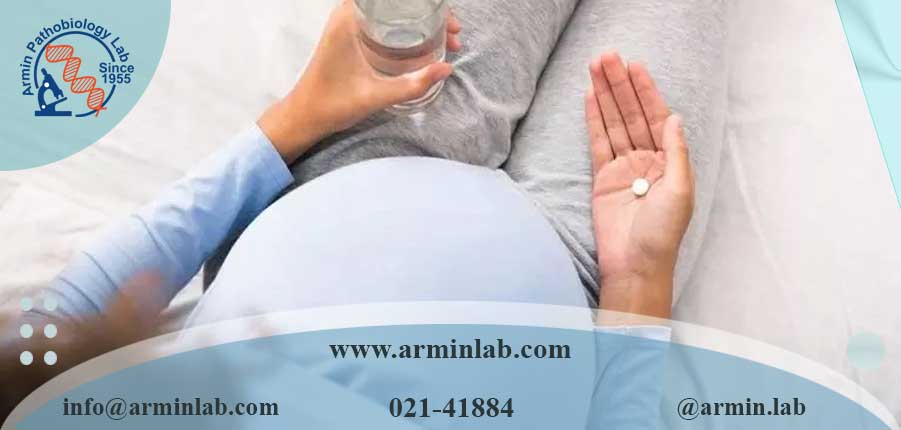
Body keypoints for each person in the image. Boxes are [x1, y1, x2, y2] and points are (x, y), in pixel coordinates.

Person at [4, 0, 720, 423]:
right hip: (592, 258)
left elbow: (64, 321)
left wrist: (292, 122)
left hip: (358, 159)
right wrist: (638, 281)